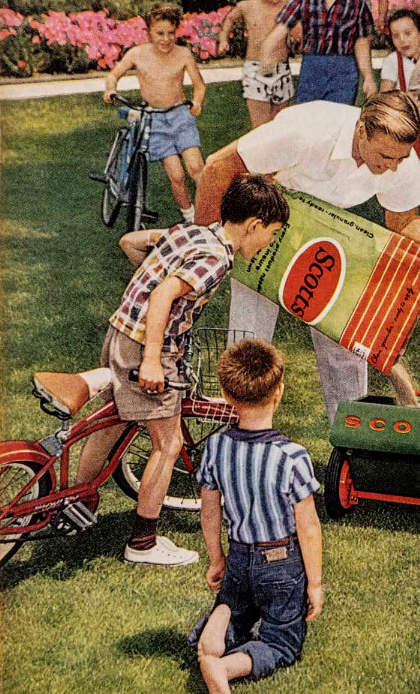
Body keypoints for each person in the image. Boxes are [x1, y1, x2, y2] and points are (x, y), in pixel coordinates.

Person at [194, 91, 420, 423]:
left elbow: (403, 219)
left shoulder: (398, 158)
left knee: (347, 344)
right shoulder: (307, 129)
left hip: (330, 233)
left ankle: (349, 436)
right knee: (248, 341)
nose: (393, 166)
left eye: (401, 158)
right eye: (385, 156)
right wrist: (205, 243)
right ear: (361, 131)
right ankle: (239, 431)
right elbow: (218, 165)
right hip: (269, 227)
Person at [76, 175, 289, 566]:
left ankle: (77, 499)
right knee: (168, 444)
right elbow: (162, 295)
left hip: (120, 333)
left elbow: (130, 242)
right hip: (147, 348)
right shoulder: (216, 258)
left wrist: (154, 276)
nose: (268, 243)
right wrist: (152, 358)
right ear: (254, 225)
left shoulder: (189, 232)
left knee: (112, 423)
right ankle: (143, 543)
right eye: (271, 235)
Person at [189, 338, 323, 694]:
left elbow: (209, 510)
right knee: (281, 641)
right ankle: (226, 667)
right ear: (279, 392)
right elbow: (309, 528)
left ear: (226, 396)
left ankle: (222, 617)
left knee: (239, 604)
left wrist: (216, 558)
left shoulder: (216, 447)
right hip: (280, 563)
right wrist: (314, 584)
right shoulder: (292, 457)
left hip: (238, 557)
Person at [103, 2, 206, 224]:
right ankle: (190, 216)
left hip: (180, 116)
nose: (166, 39)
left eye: (171, 33)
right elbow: (114, 74)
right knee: (176, 175)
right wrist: (110, 89)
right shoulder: (137, 54)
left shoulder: (183, 54)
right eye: (160, 33)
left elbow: (199, 85)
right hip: (154, 121)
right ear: (149, 31)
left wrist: (197, 102)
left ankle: (212, 210)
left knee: (197, 168)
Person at [260, 0, 377, 106]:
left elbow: (361, 43)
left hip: (344, 70)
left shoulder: (356, 4)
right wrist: (266, 54)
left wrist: (368, 77)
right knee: (308, 116)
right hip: (312, 68)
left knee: (338, 117)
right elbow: (280, 29)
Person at [217, 0, 294, 128]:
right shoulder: (247, 6)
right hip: (255, 71)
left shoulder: (287, 4)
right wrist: (223, 40)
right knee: (260, 126)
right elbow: (229, 19)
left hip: (281, 69)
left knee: (281, 124)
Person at [379, 8, 420, 177]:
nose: (402, 40)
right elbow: (385, 98)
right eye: (396, 36)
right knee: (403, 170)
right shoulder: (393, 61)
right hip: (403, 124)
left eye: (408, 33)